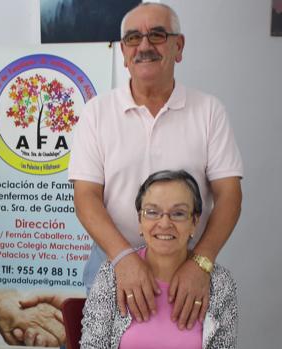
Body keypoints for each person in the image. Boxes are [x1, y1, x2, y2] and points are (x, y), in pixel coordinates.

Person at [68, 2, 243, 330]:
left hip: (186, 268)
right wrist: (124, 259)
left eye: (157, 35)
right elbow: (85, 197)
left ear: (179, 46)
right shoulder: (96, 113)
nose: (144, 46)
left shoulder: (208, 111)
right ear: (123, 52)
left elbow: (230, 194)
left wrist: (201, 263)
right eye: (133, 38)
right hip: (111, 264)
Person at [80, 170, 237, 348]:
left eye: (178, 213)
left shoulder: (220, 283)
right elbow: (91, 345)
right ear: (140, 220)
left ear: (194, 222)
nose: (164, 224)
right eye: (152, 212)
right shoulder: (111, 275)